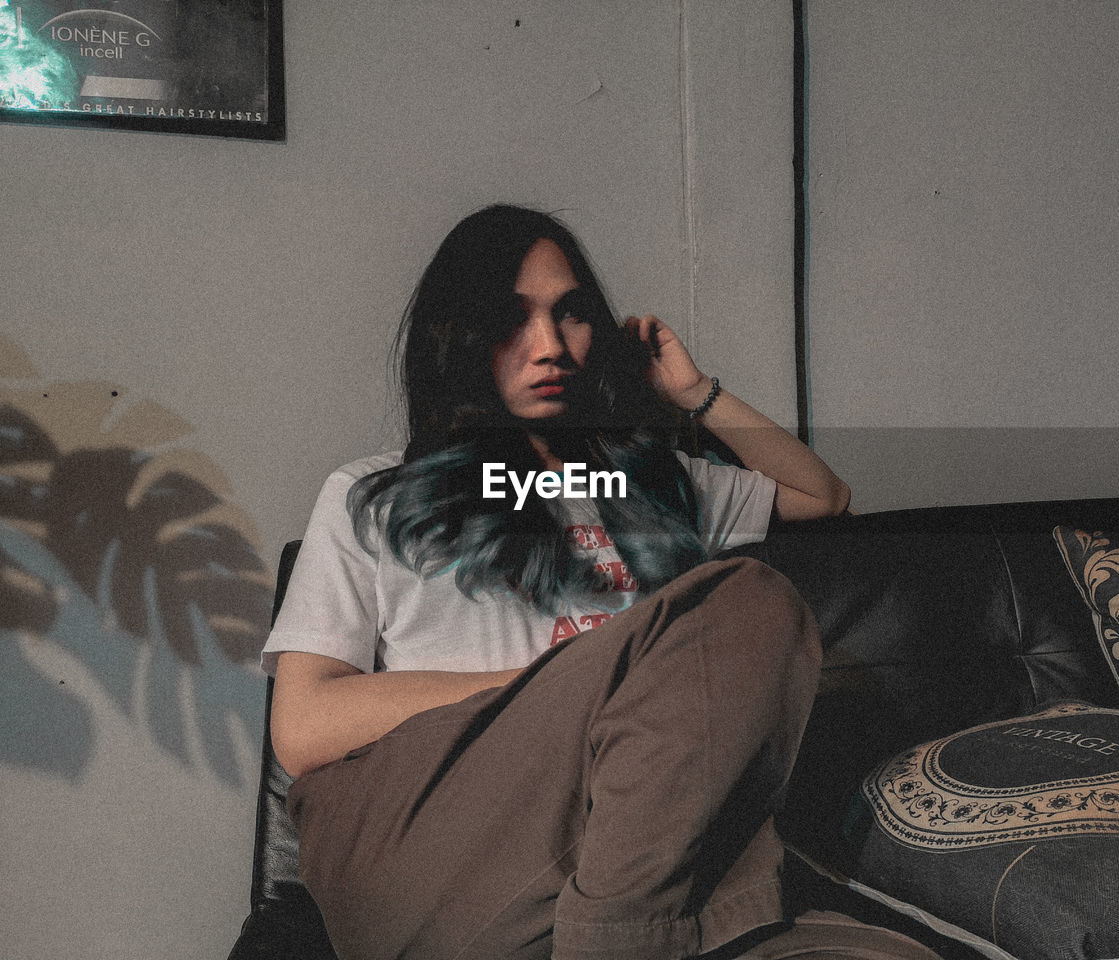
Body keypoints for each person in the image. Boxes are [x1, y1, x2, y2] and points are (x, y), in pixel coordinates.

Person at [262, 204, 939, 960]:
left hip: (624, 852)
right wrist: (577, 686)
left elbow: (822, 494)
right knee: (749, 597)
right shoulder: (376, 495)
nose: (549, 346)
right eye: (513, 319)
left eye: (571, 315)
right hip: (448, 847)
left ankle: (617, 936)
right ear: (458, 337)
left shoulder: (644, 487)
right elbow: (303, 727)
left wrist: (693, 392)